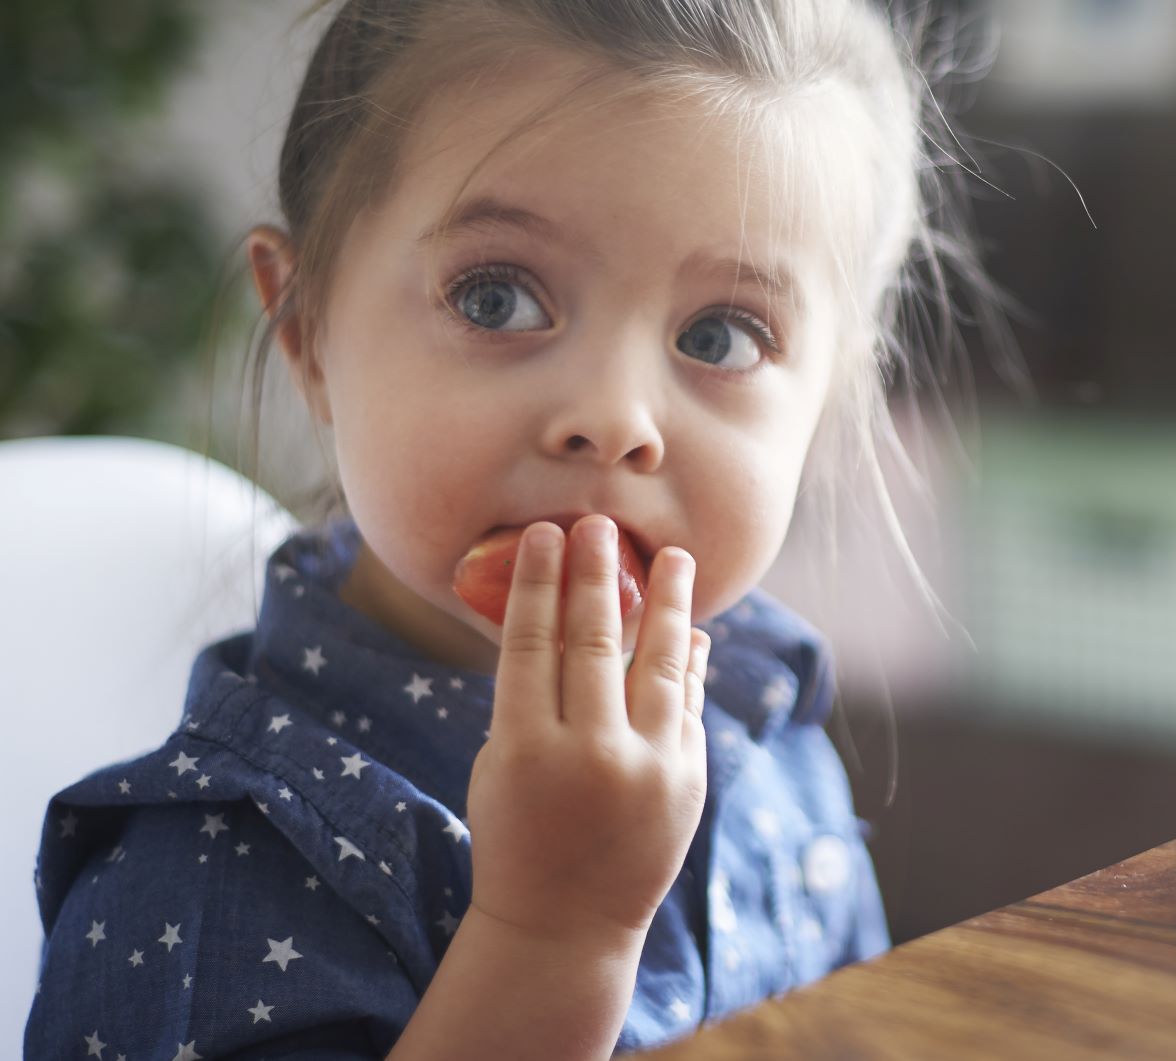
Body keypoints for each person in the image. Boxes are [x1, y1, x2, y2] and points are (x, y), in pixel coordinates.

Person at [26, 0, 1002, 1056]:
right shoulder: (212, 875)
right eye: (496, 298)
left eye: (720, 334)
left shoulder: (766, 717)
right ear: (306, 331)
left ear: (830, 394)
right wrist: (551, 937)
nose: (614, 418)